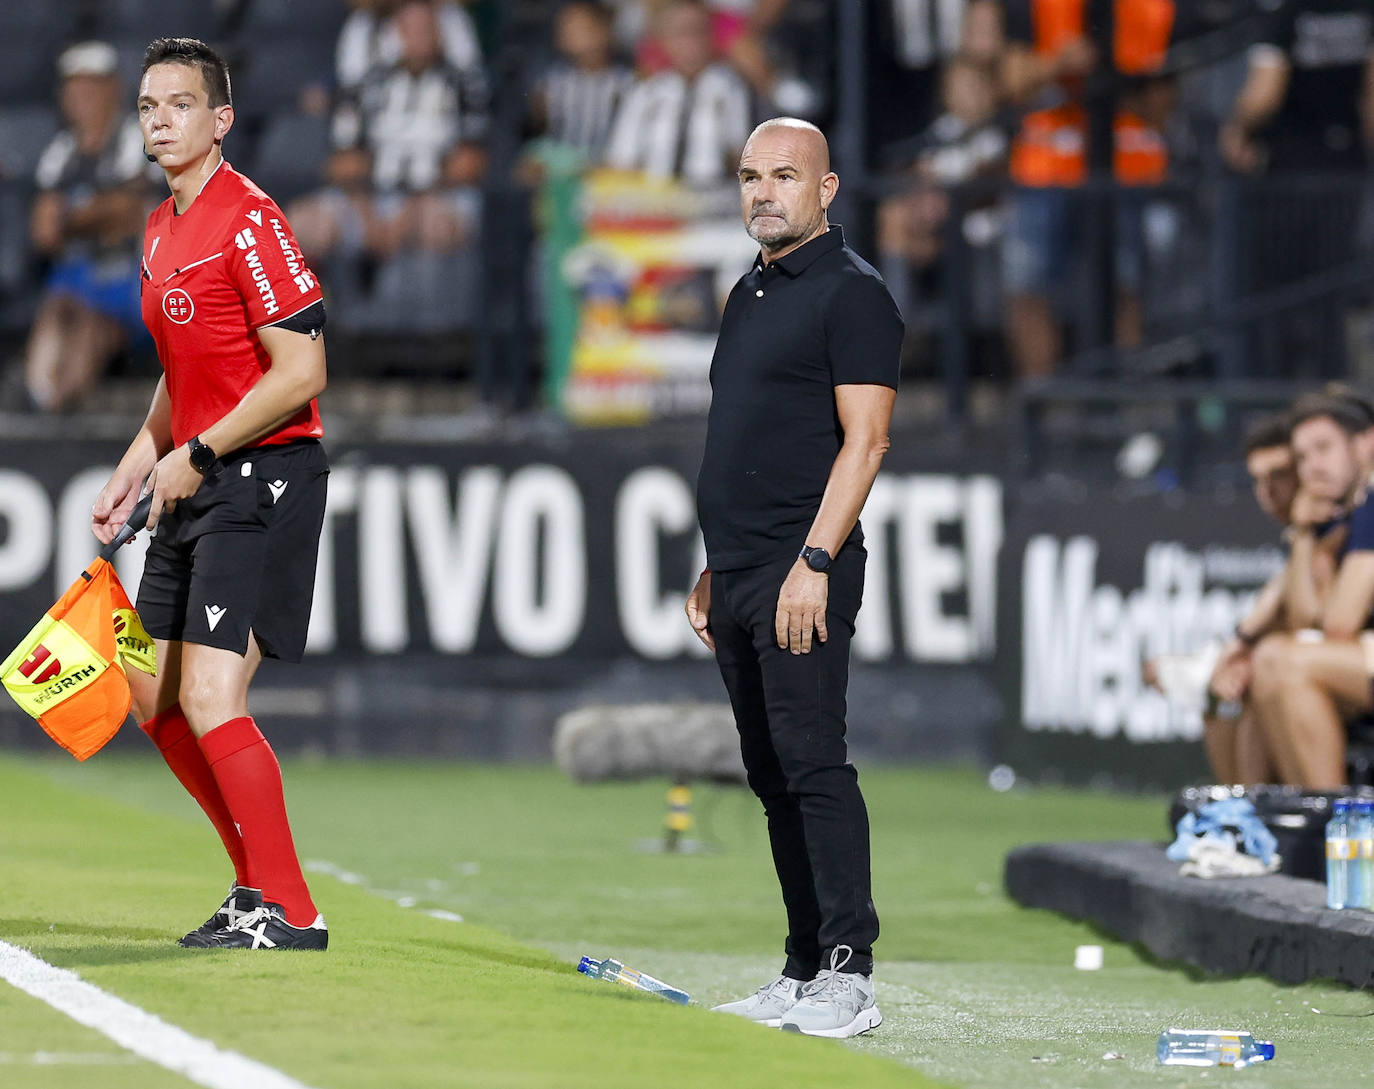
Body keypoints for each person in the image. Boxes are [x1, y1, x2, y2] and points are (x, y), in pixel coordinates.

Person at [90, 37, 331, 950]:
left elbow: (303, 370)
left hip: (262, 475)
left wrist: (196, 449)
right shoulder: (160, 225)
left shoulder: (250, 219)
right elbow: (183, 367)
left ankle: (292, 909)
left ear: (221, 119)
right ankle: (253, 888)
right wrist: (139, 458)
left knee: (210, 694)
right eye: (148, 106)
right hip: (196, 473)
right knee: (150, 691)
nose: (160, 120)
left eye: (181, 104)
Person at [686, 117, 902, 1036]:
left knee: (813, 762)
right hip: (740, 569)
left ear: (826, 189)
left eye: (783, 175)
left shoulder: (853, 294)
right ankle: (804, 964)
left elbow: (868, 440)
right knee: (771, 773)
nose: (763, 192)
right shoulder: (749, 291)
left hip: (800, 566)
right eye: (750, 176)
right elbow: (748, 436)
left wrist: (813, 561)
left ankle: (850, 972)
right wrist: (717, 564)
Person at [17, 41, 157, 412]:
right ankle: (43, 401)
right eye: (74, 88)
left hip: (130, 274)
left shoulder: (137, 139)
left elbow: (128, 213)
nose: (81, 98)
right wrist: (93, 215)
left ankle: (67, 404)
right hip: (78, 274)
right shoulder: (62, 150)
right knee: (57, 310)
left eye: (91, 87)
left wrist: (72, 217)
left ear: (112, 89)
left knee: (93, 326)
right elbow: (44, 232)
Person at [1250, 396, 1374, 789]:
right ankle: (1288, 817)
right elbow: (1305, 619)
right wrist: (1303, 535)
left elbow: (1338, 624)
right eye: (1303, 457)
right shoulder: (1344, 511)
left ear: (1365, 443)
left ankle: (1339, 821)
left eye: (1324, 448)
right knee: (1265, 662)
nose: (1314, 467)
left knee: (1287, 663)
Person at [603, 0, 753, 184]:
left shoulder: (731, 87)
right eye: (681, 33)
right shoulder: (646, 91)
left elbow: (741, 155)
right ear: (663, 40)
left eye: (698, 31)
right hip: (656, 194)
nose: (691, 41)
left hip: (713, 193)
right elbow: (622, 159)